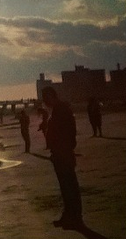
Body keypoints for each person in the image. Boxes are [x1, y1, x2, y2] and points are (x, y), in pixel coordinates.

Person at [42, 86, 84, 230]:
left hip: (63, 154)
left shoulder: (62, 110)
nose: (45, 102)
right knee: (66, 187)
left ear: (52, 96)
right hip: (60, 153)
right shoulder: (57, 110)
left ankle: (74, 217)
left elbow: (69, 131)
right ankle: (70, 216)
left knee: (69, 186)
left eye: (46, 98)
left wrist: (65, 150)